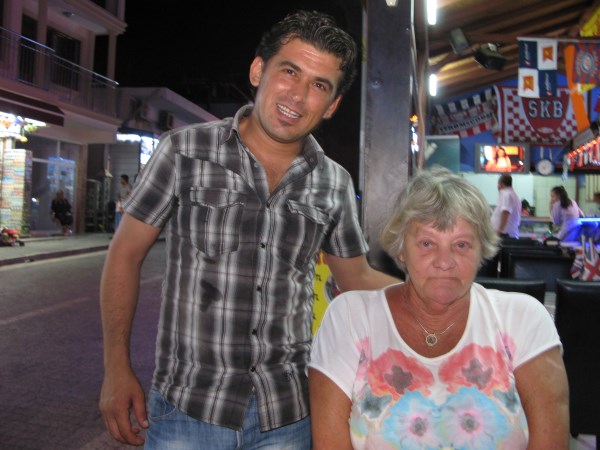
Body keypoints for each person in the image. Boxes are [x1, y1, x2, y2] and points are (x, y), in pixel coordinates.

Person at [99, 10, 399, 448]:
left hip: (288, 417)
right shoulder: (184, 151)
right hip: (188, 411)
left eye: (319, 85)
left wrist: (445, 296)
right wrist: (116, 366)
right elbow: (124, 255)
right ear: (259, 70)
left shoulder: (334, 182)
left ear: (332, 105)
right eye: (289, 72)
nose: (298, 96)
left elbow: (356, 278)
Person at [309, 167, 569, 449]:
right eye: (427, 243)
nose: (444, 261)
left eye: (461, 245)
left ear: (481, 250)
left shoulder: (523, 318)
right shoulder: (350, 318)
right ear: (401, 249)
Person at [491, 173, 521, 238]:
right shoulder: (513, 195)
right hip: (508, 235)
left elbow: (505, 212)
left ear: (501, 184)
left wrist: (499, 231)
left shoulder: (506, 194)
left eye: (498, 184)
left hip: (504, 235)